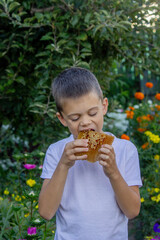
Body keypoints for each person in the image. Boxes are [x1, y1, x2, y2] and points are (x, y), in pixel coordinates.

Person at [38, 67, 142, 240]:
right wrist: (63, 165)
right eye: (75, 118)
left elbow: (132, 211)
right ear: (62, 119)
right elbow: (46, 212)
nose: (85, 122)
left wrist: (113, 172)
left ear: (104, 106)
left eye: (92, 113)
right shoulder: (57, 152)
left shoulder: (125, 150)